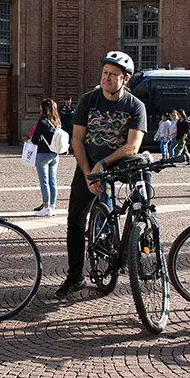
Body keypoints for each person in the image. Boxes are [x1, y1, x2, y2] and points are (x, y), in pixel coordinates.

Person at [54, 51, 146, 300]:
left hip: (117, 163)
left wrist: (103, 165)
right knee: (75, 221)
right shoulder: (88, 100)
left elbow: (132, 146)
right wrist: (87, 173)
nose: (107, 78)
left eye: (113, 75)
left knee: (143, 172)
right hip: (88, 164)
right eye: (105, 73)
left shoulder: (135, 106)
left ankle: (134, 243)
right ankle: (75, 278)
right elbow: (77, 139)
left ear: (125, 79)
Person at [30, 98, 61, 216]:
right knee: (53, 181)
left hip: (43, 154)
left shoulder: (42, 122)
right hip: (55, 154)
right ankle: (52, 206)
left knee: (44, 182)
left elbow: (34, 139)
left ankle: (46, 206)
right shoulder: (57, 121)